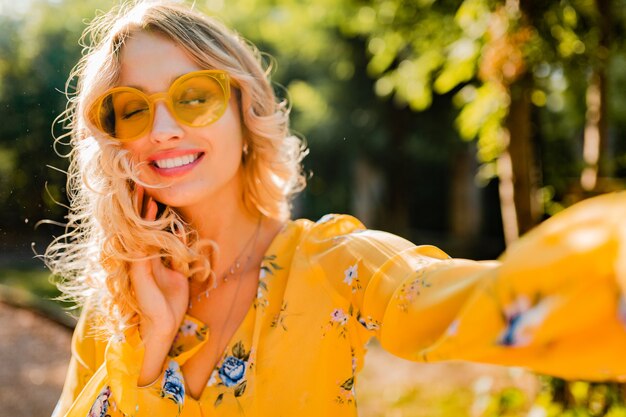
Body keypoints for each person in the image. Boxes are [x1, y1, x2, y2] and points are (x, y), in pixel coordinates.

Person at [48, 1, 626, 416]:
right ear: (113, 139)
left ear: (245, 112)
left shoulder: (334, 261)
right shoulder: (118, 310)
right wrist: (148, 347)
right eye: (131, 109)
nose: (165, 130)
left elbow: (470, 302)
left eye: (193, 97)